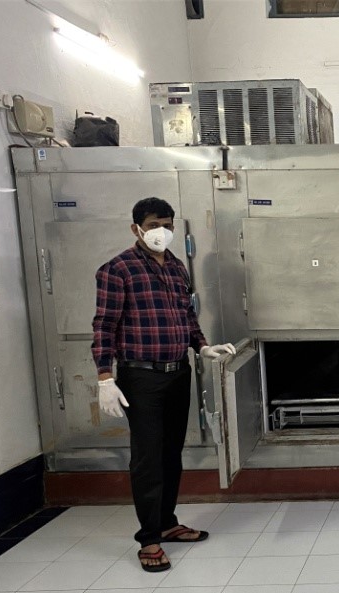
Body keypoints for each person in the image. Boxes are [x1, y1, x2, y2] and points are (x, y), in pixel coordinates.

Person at [92, 197, 236, 572]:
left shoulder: (175, 267)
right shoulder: (118, 269)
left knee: (171, 453)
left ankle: (167, 523)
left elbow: (186, 316)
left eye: (168, 225)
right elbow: (104, 326)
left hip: (177, 372)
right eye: (154, 224)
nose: (162, 231)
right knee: (148, 457)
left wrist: (202, 347)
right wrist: (105, 377)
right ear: (136, 228)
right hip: (141, 376)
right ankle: (149, 540)